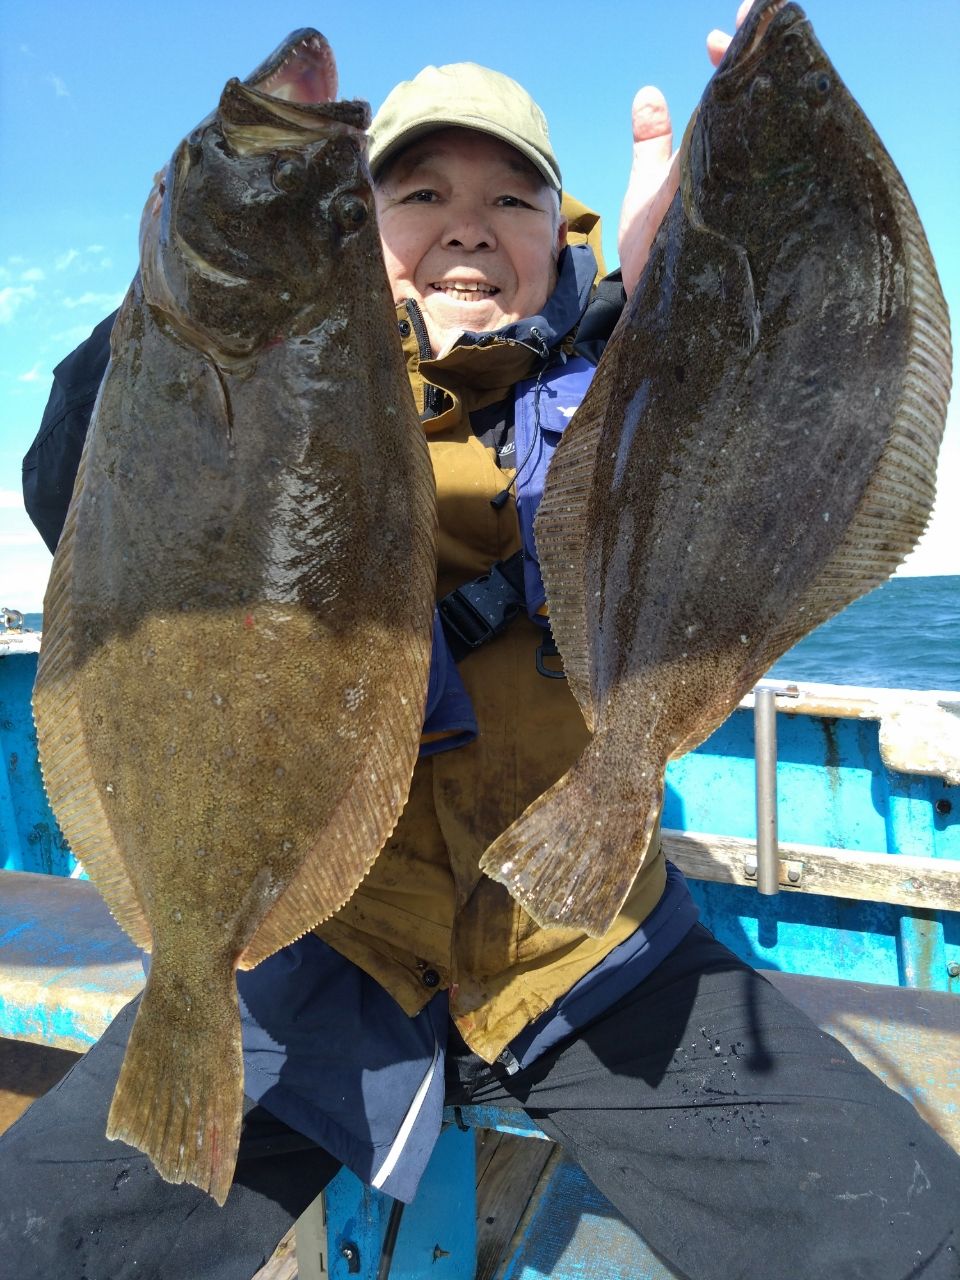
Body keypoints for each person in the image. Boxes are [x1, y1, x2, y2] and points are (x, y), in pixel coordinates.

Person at [4, 19, 960, 1280]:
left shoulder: (636, 387)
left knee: (917, 1237)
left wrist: (687, 302)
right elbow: (75, 485)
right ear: (362, 229)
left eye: (511, 196)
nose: (468, 223)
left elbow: (788, 443)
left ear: (555, 229)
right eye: (420, 193)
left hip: (591, 958)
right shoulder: (274, 383)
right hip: (317, 969)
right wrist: (178, 266)